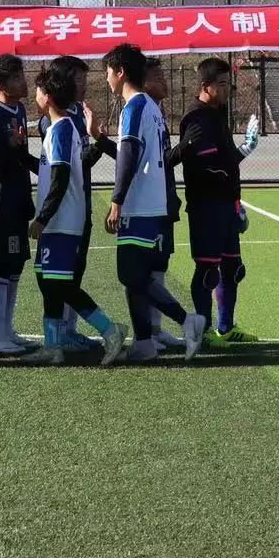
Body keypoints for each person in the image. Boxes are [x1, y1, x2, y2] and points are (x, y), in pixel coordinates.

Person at [24, 64, 125, 366]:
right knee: (47, 280)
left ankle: (110, 330)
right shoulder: (61, 128)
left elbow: (61, 179)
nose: (35, 95)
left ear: (48, 96)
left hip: (63, 221)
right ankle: (53, 345)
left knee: (60, 284)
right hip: (59, 220)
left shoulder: (62, 129)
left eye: (38, 90)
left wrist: (42, 218)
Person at [169, 57, 250, 357]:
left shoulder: (217, 113)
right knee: (208, 271)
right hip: (206, 206)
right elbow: (206, 166)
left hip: (226, 204)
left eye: (229, 83)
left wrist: (237, 200)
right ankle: (203, 332)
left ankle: (225, 327)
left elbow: (226, 162)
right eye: (222, 84)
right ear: (206, 86)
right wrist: (225, 180)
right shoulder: (196, 118)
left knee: (233, 268)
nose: (228, 89)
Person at [102, 43, 169, 362]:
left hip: (139, 203)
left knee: (131, 275)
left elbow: (128, 155)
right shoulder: (152, 107)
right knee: (135, 276)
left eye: (108, 72)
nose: (106, 79)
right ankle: (144, 342)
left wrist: (117, 200)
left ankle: (186, 321)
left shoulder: (134, 108)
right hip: (152, 201)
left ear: (120, 72)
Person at [0, 54, 38, 356]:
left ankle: (8, 330)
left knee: (15, 266)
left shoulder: (19, 110)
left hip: (18, 200)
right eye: (16, 78)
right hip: (0, 203)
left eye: (22, 75)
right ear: (1, 85)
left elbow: (22, 157)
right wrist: (11, 148)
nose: (24, 81)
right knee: (2, 267)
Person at [140, 57, 194, 350]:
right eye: (158, 75)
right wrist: (187, 146)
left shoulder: (156, 111)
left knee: (159, 265)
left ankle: (156, 329)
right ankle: (149, 332)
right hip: (149, 205)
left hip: (164, 201)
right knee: (141, 270)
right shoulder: (140, 110)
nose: (165, 79)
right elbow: (150, 161)